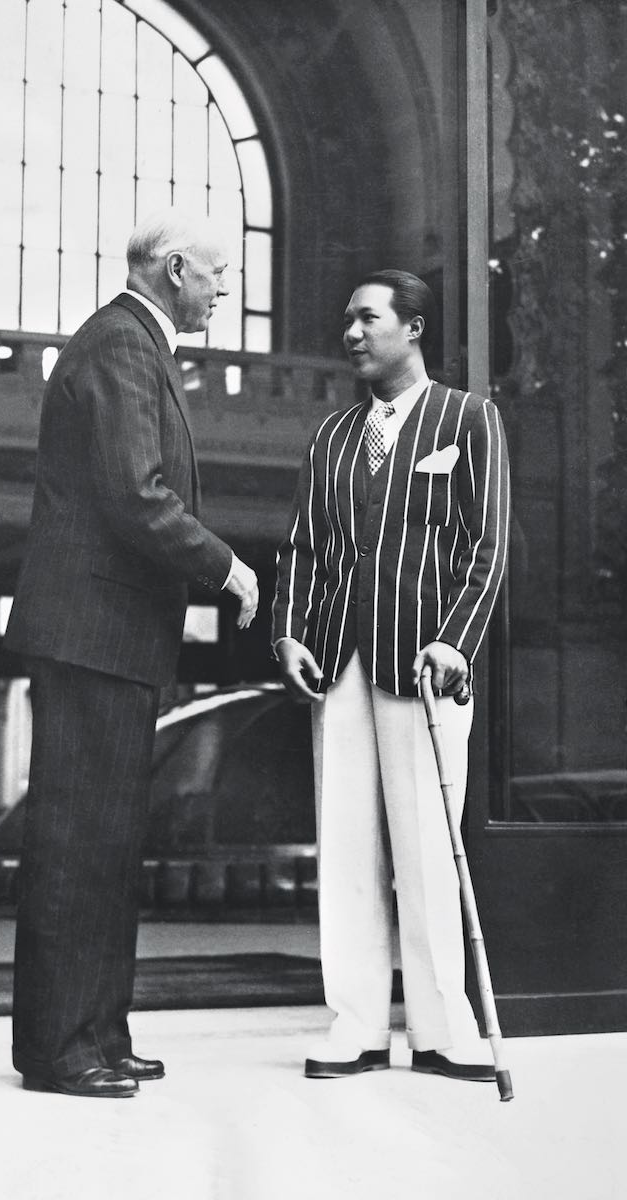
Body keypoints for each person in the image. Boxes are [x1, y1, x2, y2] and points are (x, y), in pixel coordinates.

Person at [4, 208, 259, 1099]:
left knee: (107, 845)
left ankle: (98, 1032)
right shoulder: (120, 346)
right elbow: (137, 497)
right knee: (79, 842)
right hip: (93, 635)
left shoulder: (131, 345)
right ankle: (59, 1047)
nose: (225, 291)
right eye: (219, 274)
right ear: (174, 268)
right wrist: (226, 566)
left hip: (107, 636)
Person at [273, 270, 510, 1083]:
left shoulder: (468, 419)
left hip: (425, 665)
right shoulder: (331, 437)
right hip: (338, 661)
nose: (350, 332)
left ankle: (445, 1028)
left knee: (429, 849)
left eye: (367, 318)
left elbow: (487, 549)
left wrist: (456, 642)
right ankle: (357, 1025)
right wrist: (287, 632)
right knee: (346, 850)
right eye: (346, 320)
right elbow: (302, 546)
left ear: (413, 328)